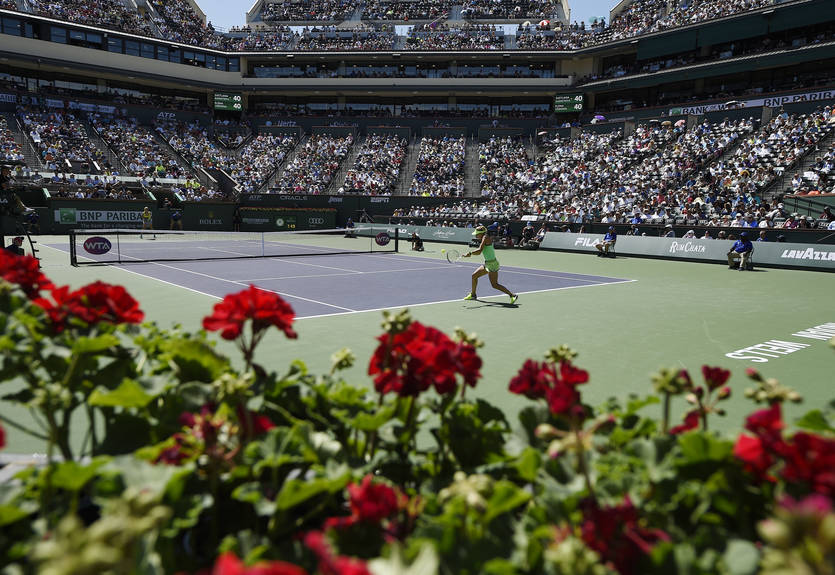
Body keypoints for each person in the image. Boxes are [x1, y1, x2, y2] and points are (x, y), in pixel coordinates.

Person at [463, 225, 518, 304]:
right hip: (487, 263)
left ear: (481, 233)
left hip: (492, 264)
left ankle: (512, 295)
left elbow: (479, 251)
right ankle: (473, 295)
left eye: (477, 234)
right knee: (474, 276)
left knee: (494, 285)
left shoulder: (485, 238)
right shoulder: (484, 237)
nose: (475, 235)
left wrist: (469, 253)